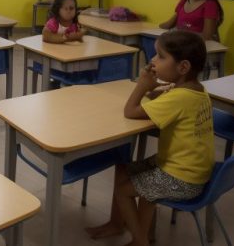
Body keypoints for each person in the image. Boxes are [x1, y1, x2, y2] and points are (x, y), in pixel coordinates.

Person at [86, 31, 213, 246]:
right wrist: (153, 88)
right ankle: (119, 224)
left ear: (183, 67)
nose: (153, 60)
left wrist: (142, 85)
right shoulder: (196, 90)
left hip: (182, 177)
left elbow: (130, 111)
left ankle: (140, 241)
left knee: (123, 191)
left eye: (160, 56)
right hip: (192, 169)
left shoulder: (179, 98)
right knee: (123, 168)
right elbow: (159, 98)